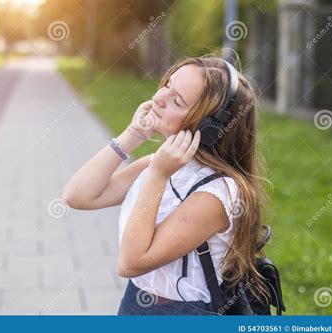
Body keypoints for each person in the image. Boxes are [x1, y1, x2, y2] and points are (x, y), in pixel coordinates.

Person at [62, 53, 270, 315]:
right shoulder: (160, 165)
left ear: (208, 128)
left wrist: (158, 176)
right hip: (135, 302)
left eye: (176, 100)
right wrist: (133, 135)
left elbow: (130, 262)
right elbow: (77, 195)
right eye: (167, 85)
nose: (159, 98)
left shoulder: (217, 193)